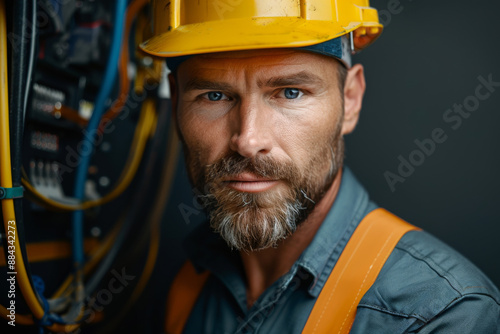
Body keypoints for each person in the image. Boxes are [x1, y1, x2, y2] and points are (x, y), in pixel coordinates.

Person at [140, 0, 500, 333]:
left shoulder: (441, 315)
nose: (248, 140)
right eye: (214, 96)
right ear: (175, 107)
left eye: (290, 92)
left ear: (350, 100)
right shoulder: (187, 288)